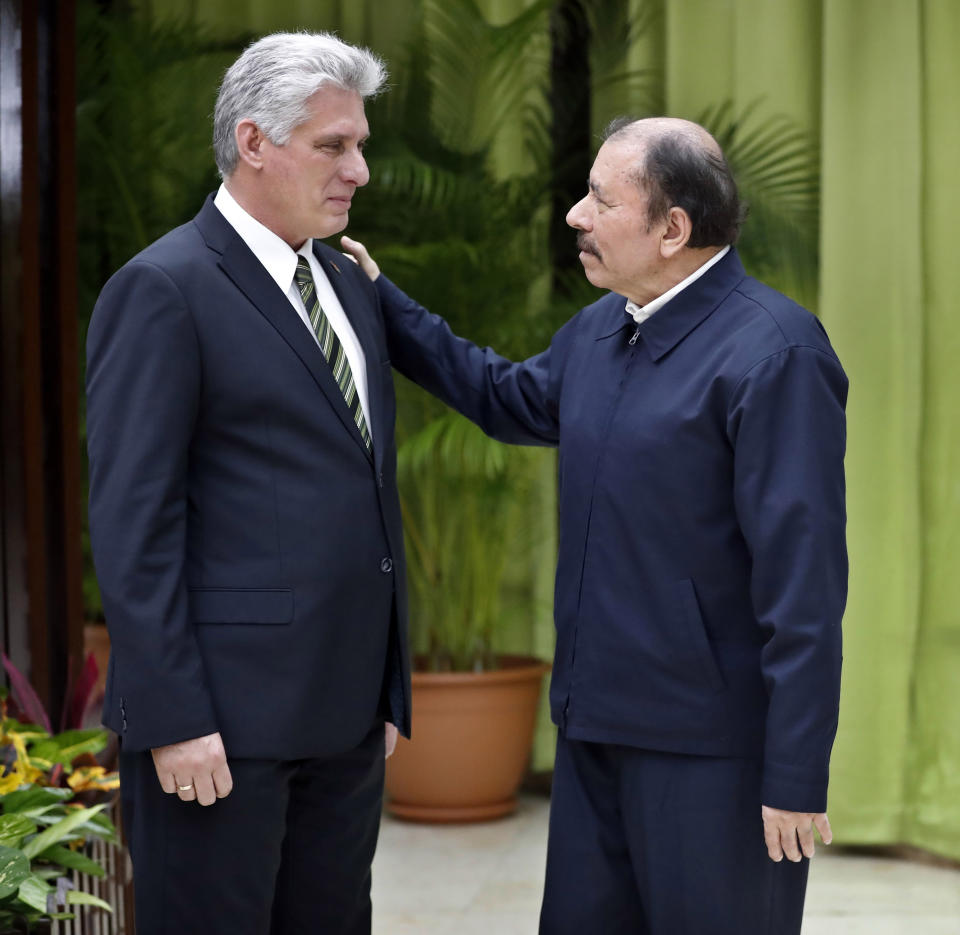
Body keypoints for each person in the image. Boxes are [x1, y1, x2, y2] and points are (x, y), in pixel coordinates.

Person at [342, 116, 847, 935]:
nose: (575, 214)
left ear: (673, 228)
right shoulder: (603, 328)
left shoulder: (775, 352)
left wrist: (794, 773)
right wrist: (379, 303)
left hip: (710, 754)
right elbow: (505, 397)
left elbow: (806, 587)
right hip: (593, 728)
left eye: (600, 199)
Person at [86, 32, 410, 935]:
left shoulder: (346, 283)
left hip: (346, 724)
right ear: (255, 141)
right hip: (221, 731)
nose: (361, 170)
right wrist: (172, 716)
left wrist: (388, 685)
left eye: (361, 144)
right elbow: (132, 521)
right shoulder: (161, 288)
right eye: (334, 146)